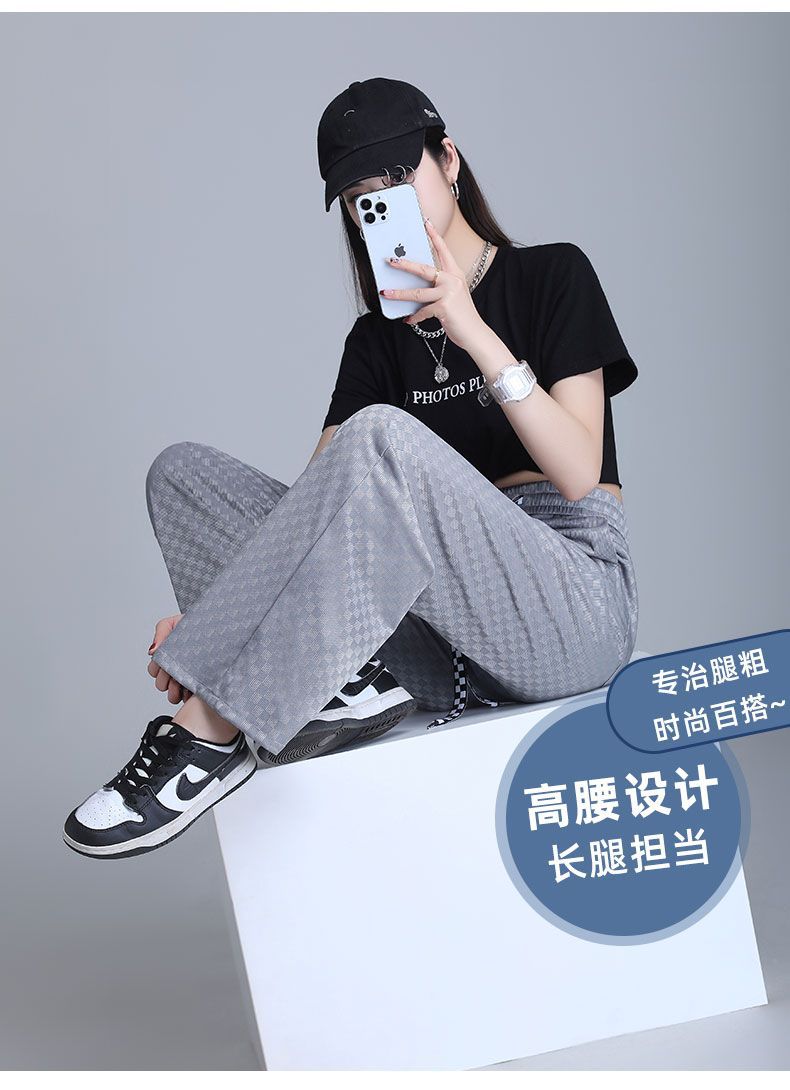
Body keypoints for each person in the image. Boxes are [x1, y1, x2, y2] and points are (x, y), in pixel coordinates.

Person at [63, 77, 639, 860]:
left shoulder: (552, 276)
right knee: (182, 476)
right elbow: (312, 516)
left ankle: (207, 734)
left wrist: (470, 329)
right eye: (363, 197)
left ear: (449, 160)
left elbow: (577, 470)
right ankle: (340, 684)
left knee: (381, 438)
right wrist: (225, 617)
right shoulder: (375, 341)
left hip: (569, 611)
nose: (383, 205)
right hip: (441, 649)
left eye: (398, 177)